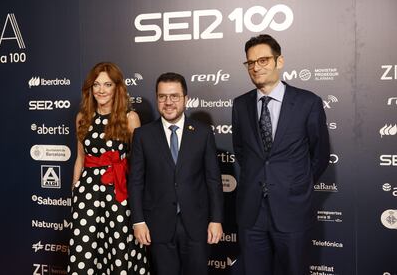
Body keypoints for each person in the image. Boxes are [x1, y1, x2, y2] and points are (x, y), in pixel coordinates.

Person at [232, 34, 330, 275]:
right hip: (251, 212)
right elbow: (241, 152)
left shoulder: (308, 102)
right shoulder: (240, 104)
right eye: (250, 62)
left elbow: (320, 155)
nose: (256, 67)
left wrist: (295, 183)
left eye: (263, 60)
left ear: (280, 61)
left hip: (292, 209)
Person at [128, 72, 224, 275]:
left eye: (174, 96)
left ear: (185, 99)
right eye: (162, 96)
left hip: (197, 224)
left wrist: (216, 220)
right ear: (157, 98)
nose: (168, 102)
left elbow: (213, 180)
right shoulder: (143, 135)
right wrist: (138, 221)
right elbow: (136, 182)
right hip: (158, 225)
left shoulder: (202, 133)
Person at [68, 62, 150, 275]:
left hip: (118, 191)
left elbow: (138, 163)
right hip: (87, 192)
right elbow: (80, 158)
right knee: (85, 247)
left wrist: (136, 198)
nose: (101, 90)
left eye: (107, 84)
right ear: (90, 88)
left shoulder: (130, 118)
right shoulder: (82, 118)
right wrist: (75, 191)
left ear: (117, 88)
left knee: (119, 244)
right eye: (96, 85)